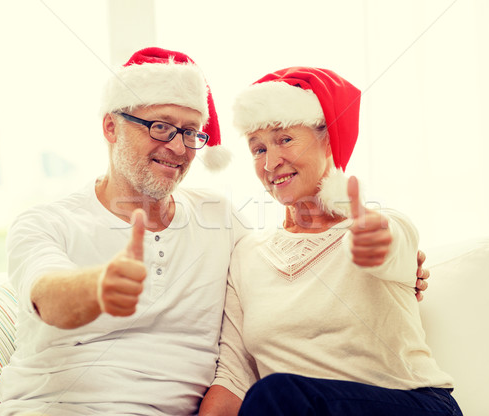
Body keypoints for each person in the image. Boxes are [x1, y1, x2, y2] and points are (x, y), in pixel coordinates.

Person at [0, 47, 248, 416]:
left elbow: (245, 335)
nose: (178, 147)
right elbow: (47, 297)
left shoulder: (220, 217)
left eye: (191, 132)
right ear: (111, 127)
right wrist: (97, 287)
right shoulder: (46, 222)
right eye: (160, 126)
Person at [198, 67, 462, 415]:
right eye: (258, 149)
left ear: (328, 140)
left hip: (411, 404)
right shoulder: (247, 254)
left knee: (277, 393)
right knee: (274, 395)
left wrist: (374, 241)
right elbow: (234, 377)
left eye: (285, 139)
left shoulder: (381, 225)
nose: (271, 162)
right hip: (289, 407)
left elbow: (392, 245)